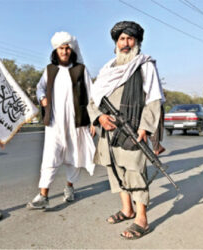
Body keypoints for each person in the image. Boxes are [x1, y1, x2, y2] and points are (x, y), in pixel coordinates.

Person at [87, 21, 164, 239]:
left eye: (130, 38)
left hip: (132, 129)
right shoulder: (107, 69)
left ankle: (141, 218)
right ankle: (126, 209)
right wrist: (99, 117)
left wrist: (146, 127)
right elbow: (93, 101)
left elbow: (153, 99)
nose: (126, 43)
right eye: (122, 39)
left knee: (134, 171)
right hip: (108, 129)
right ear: (116, 43)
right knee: (114, 170)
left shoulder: (144, 65)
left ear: (137, 42)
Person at [27, 31, 95, 210]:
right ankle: (43, 195)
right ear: (56, 51)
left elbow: (91, 94)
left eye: (67, 48)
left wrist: (94, 120)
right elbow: (40, 87)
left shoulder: (81, 70)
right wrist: (42, 98)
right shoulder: (50, 69)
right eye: (61, 48)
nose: (64, 51)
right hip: (54, 123)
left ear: (71, 50)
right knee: (50, 156)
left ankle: (69, 188)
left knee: (74, 156)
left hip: (76, 122)